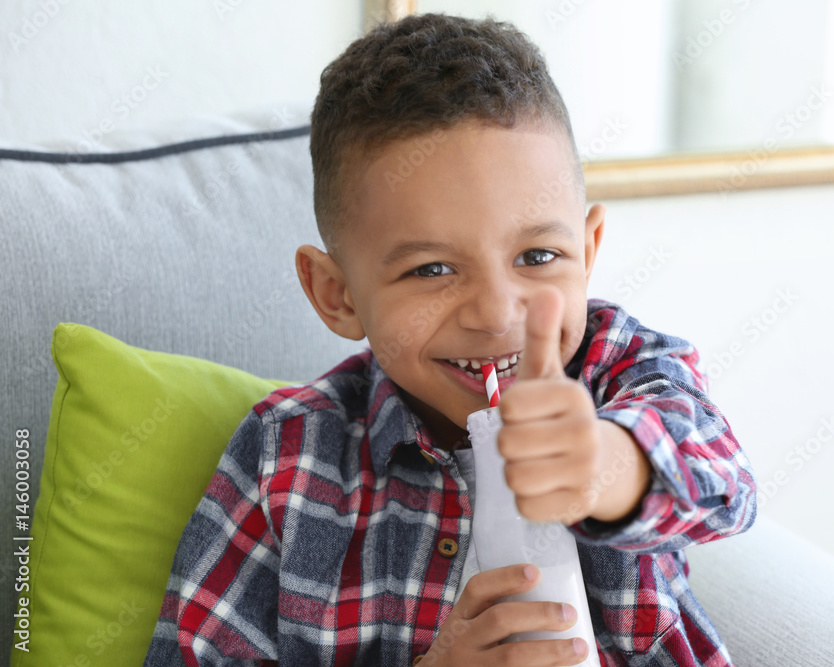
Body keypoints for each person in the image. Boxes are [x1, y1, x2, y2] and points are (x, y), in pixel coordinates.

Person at [144, 13, 756, 666]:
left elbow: (724, 484)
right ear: (338, 294)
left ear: (588, 248)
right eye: (432, 269)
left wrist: (602, 464)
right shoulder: (285, 460)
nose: (496, 314)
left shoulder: (619, 371)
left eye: (539, 255)